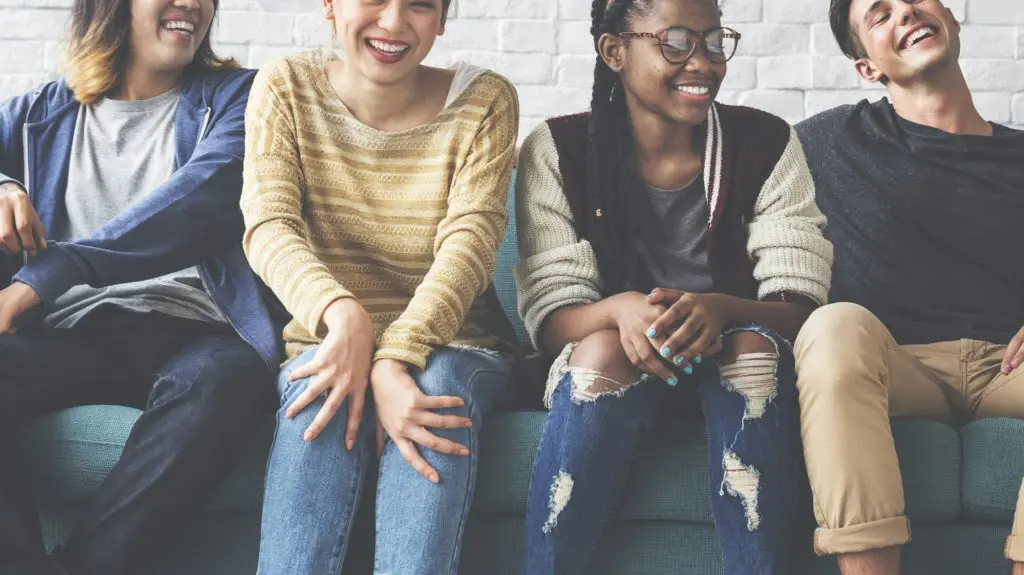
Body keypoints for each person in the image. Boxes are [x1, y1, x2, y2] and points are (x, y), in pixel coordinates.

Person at [513, 0, 834, 573]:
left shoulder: (765, 143)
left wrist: (721, 309)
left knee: (752, 351)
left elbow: (802, 304)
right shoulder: (558, 150)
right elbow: (551, 315)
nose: (703, 62)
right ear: (615, 50)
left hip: (734, 355)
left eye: (715, 42)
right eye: (678, 41)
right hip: (614, 363)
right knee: (603, 348)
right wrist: (618, 309)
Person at [0, 1, 280, 574]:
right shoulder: (36, 116)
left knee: (227, 379)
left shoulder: (240, 98)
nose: (193, 5)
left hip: (197, 330)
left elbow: (199, 202)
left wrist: (49, 274)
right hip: (75, 334)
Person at [242, 0, 520, 573]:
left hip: (455, 345)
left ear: (444, 17)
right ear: (329, 5)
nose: (393, 23)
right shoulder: (285, 86)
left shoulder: (486, 100)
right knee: (322, 383)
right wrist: (345, 318)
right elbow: (269, 224)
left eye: (419, 4)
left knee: (436, 385)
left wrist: (392, 358)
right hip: (330, 341)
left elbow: (470, 245)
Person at [793, 1, 1024, 574]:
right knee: (832, 325)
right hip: (900, 369)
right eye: (880, 14)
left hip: (1010, 371)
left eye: (916, 0)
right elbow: (710, 176)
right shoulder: (826, 142)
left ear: (951, 19)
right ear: (868, 67)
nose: (907, 12)